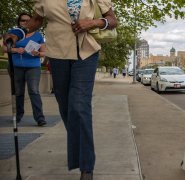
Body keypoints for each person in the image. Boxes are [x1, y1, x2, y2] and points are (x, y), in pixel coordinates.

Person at [4, 1, 117, 180]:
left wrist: (94, 22)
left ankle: (86, 167)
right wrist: (19, 32)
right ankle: (79, 149)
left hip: (86, 53)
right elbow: (36, 20)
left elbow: (112, 20)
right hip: (57, 54)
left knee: (79, 106)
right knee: (66, 108)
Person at [3, 12, 47, 126]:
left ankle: (39, 118)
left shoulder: (37, 35)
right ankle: (18, 116)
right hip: (16, 67)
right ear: (19, 22)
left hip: (33, 67)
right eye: (23, 20)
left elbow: (44, 52)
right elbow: (4, 48)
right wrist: (16, 50)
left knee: (33, 91)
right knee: (18, 92)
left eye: (28, 20)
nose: (25, 22)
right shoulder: (13, 33)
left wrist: (37, 53)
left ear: (32, 22)